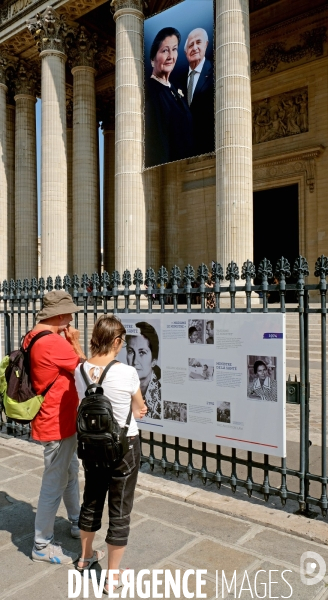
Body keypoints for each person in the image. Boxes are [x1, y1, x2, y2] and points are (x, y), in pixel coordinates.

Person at [74, 315, 147, 594]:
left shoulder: (79, 370)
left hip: (92, 446)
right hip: (124, 446)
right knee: (119, 508)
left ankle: (85, 557)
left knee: (91, 498)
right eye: (122, 341)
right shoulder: (127, 372)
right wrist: (139, 408)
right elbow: (139, 407)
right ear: (116, 341)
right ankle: (112, 577)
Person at [26, 290, 86, 565]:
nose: (72, 317)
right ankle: (41, 544)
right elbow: (88, 371)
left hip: (57, 417)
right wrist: (75, 342)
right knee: (54, 481)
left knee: (69, 471)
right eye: (70, 313)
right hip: (57, 421)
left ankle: (76, 520)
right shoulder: (54, 342)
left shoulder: (34, 335)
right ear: (59, 315)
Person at [145, 27, 194, 168]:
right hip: (167, 170)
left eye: (174, 49)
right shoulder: (151, 92)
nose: (171, 56)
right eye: (165, 50)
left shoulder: (176, 89)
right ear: (153, 59)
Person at [179, 28, 214, 156]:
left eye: (198, 42)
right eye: (190, 45)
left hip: (210, 146)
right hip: (183, 151)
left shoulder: (216, 70)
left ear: (206, 44)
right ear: (185, 51)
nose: (194, 48)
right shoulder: (177, 81)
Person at [126, 321, 161, 419]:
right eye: (130, 351)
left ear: (154, 361)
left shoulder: (161, 397)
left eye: (142, 352)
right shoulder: (121, 390)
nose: (135, 361)